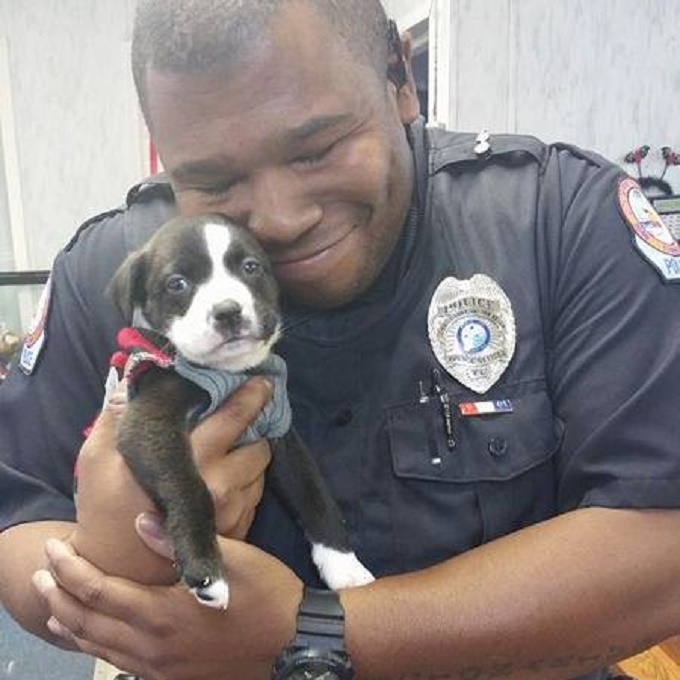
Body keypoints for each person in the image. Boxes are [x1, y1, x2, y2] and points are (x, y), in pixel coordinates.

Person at [1, 1, 680, 679]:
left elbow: (661, 551)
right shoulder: (115, 270)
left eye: (317, 149)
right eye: (212, 181)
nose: (278, 219)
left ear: (399, 75)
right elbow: (16, 527)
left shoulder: (558, 222)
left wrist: (312, 635)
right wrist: (102, 559)